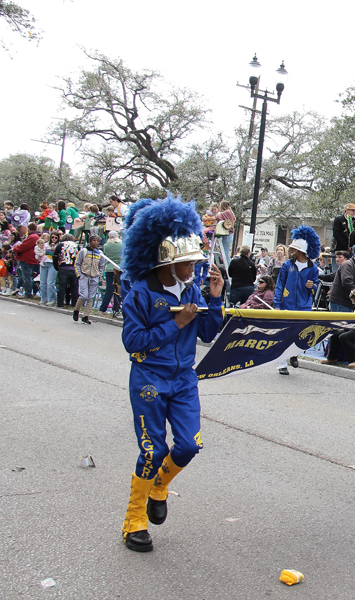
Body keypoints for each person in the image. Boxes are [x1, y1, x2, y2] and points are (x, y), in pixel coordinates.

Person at [118, 195, 224, 553]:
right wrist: (175, 323)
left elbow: (208, 334)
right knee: (152, 450)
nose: (195, 267)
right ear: (167, 261)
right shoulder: (140, 294)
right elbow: (133, 343)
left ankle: (160, 486)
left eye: (196, 261)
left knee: (189, 445)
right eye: (188, 262)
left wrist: (215, 300)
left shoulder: (193, 289)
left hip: (183, 381)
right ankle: (134, 521)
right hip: (148, 380)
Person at [274, 226, 321, 375]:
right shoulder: (287, 266)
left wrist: (311, 286)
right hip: (286, 305)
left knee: (299, 333)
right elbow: (279, 285)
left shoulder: (313, 268)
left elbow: (315, 287)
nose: (291, 251)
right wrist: (277, 304)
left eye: (293, 248)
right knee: (284, 334)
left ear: (300, 251)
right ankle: (282, 364)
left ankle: (293, 354)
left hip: (303, 306)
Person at [322, 288, 355, 369]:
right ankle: (332, 358)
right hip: (353, 328)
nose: (352, 302)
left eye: (353, 300)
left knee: (344, 337)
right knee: (334, 335)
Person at [73, 234, 108, 324]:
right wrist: (80, 275)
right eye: (94, 240)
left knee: (90, 297)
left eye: (97, 241)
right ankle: (76, 310)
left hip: (94, 277)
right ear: (90, 241)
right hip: (84, 275)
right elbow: (77, 263)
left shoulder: (100, 253)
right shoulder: (84, 251)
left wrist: (99, 274)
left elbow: (101, 265)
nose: (96, 242)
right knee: (84, 295)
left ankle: (86, 316)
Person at [13, 223, 39, 298]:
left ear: (29, 229)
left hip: (28, 259)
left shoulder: (32, 237)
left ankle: (28, 293)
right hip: (31, 259)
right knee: (28, 276)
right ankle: (30, 292)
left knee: (26, 277)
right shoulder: (35, 236)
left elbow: (23, 247)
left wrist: (15, 248)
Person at [99, 231, 123, 313]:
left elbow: (106, 255)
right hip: (119, 268)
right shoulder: (121, 245)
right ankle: (116, 307)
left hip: (109, 268)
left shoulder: (106, 245)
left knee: (109, 289)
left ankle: (103, 308)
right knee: (118, 289)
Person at [54, 233, 79, 307]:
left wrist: (56, 267)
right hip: (74, 268)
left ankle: (60, 303)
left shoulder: (60, 245)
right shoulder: (76, 245)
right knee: (74, 287)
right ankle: (74, 304)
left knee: (61, 287)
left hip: (63, 267)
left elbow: (55, 256)